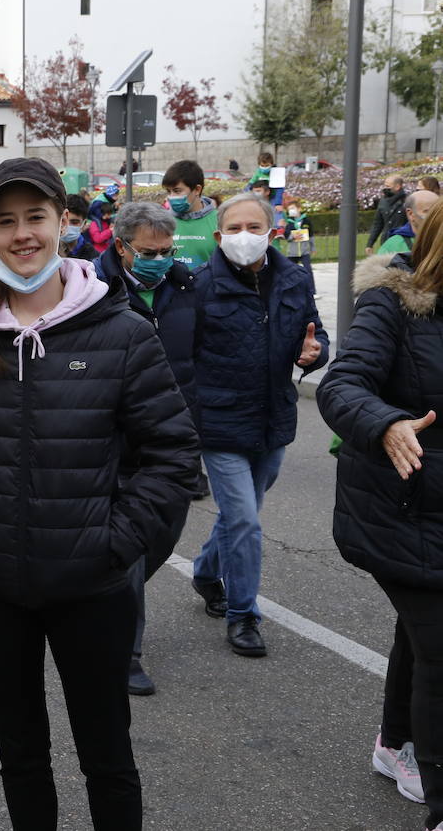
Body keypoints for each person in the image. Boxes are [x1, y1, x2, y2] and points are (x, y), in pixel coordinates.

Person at [0, 157, 200, 831]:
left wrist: (118, 546)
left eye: (37, 218)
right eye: (7, 221)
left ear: (66, 224)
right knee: (20, 757)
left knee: (107, 757)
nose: (24, 235)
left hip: (92, 589)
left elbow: (172, 457)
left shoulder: (123, 332)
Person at [319, 203, 443, 824]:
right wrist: (388, 422)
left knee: (421, 634)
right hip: (403, 504)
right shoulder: (393, 301)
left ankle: (395, 744)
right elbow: (343, 385)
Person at [189, 192, 329, 656]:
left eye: (253, 227)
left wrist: (315, 354)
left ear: (272, 232)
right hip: (220, 420)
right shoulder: (200, 287)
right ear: (218, 236)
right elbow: (184, 357)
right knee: (245, 519)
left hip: (273, 418)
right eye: (233, 229)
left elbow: (314, 333)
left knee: (241, 513)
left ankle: (206, 572)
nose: (243, 237)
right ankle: (243, 614)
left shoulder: (294, 280)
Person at [95, 202, 200, 696]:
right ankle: (125, 651)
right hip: (116, 443)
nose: (160, 259)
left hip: (172, 440)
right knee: (132, 545)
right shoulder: (94, 292)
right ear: (121, 247)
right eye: (149, 252)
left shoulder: (187, 288)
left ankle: (102, 598)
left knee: (163, 536)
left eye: (166, 250)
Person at [162, 159, 220, 269]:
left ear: (197, 189)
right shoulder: (162, 222)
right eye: (169, 192)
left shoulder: (220, 220)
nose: (171, 197)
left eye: (177, 191)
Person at [380, 190, 440, 256]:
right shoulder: (393, 246)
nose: (436, 215)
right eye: (428, 211)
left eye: (438, 211)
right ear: (410, 214)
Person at [277, 195, 316, 286]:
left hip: (304, 251)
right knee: (289, 270)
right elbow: (287, 236)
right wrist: (293, 236)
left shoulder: (306, 221)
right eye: (289, 209)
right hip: (292, 252)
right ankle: (290, 287)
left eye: (293, 208)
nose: (291, 211)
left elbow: (311, 235)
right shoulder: (289, 223)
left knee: (308, 269)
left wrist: (313, 248)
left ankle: (311, 290)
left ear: (299, 209)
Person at [369, 175, 409, 255]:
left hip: (402, 242)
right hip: (386, 241)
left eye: (387, 186)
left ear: (397, 187)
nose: (385, 188)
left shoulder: (407, 201)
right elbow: (378, 224)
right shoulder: (383, 202)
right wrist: (370, 243)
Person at [62, 194, 98, 261]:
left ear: (84, 223)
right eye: (63, 221)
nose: (67, 226)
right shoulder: (47, 252)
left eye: (74, 222)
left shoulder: (93, 257)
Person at [86, 183, 119, 253]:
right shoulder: (99, 201)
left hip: (105, 248)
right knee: (99, 224)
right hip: (93, 216)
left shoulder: (108, 200)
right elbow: (92, 211)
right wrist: (102, 217)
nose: (117, 197)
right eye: (115, 195)